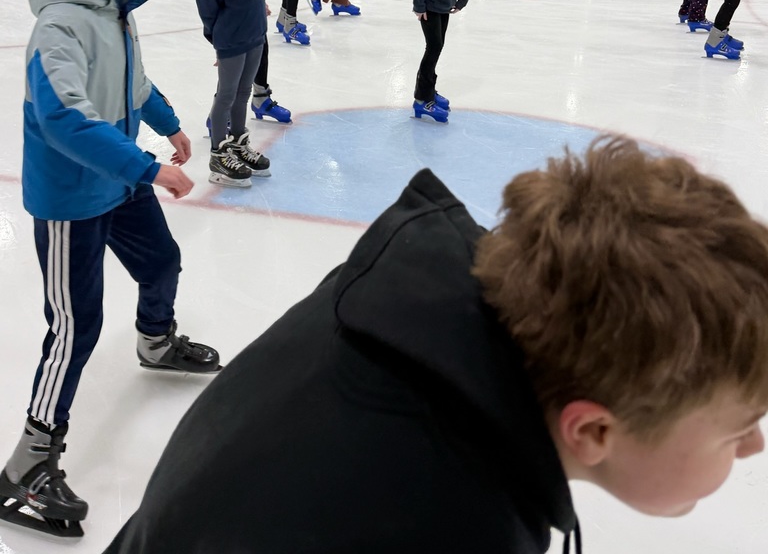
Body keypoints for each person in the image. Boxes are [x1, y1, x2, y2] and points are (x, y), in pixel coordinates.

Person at [102, 135, 768, 554]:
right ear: (592, 430)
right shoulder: (447, 523)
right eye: (739, 428)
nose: (754, 446)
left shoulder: (400, 308)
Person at [0, 0, 221, 541]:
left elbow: (133, 85)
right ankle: (26, 467)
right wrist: (149, 168)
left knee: (162, 263)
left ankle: (155, 341)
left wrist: (169, 125)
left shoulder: (109, 6)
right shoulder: (58, 30)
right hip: (74, 195)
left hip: (120, 176)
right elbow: (64, 119)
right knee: (75, 326)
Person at [190, 0, 271, 186]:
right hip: (232, 41)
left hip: (256, 35)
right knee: (226, 95)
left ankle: (238, 142)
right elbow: (207, 8)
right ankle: (218, 153)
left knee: (244, 92)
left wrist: (261, 10)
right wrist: (218, 42)